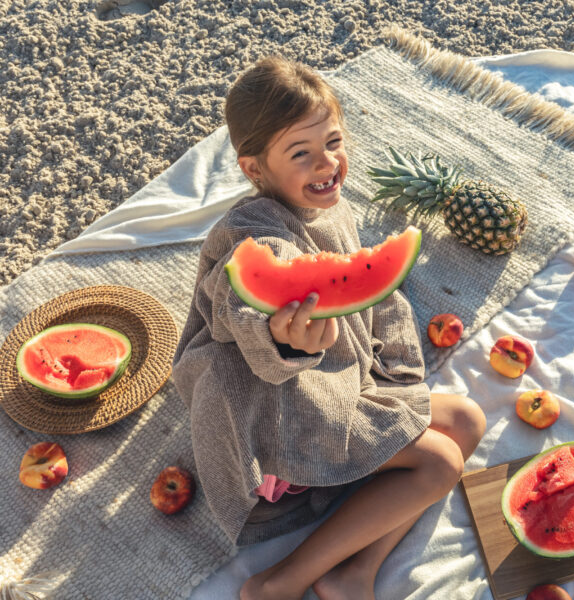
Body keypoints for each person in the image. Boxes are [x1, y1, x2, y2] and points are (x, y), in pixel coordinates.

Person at [172, 55, 486, 600]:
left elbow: (371, 289)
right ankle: (277, 583)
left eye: (334, 143)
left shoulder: (331, 207)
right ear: (255, 170)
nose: (327, 163)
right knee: (441, 465)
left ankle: (353, 573)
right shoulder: (249, 234)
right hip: (275, 419)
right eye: (302, 153)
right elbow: (237, 310)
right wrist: (282, 340)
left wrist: (396, 373)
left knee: (469, 420)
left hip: (340, 384)